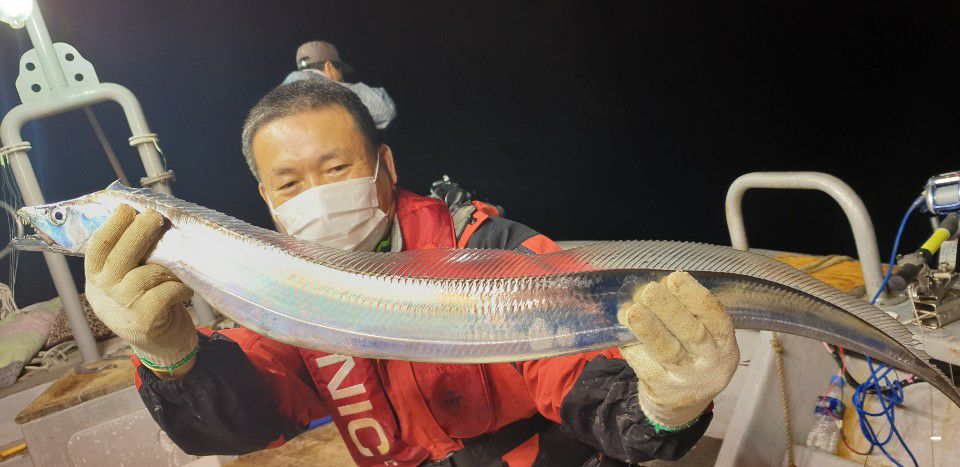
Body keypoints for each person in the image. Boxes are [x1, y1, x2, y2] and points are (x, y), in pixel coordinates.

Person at [83, 79, 739, 467]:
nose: (316, 194)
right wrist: (172, 358)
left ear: (385, 166)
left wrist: (665, 404)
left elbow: (583, 374)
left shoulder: (491, 252)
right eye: (289, 182)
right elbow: (250, 410)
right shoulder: (282, 293)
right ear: (266, 200)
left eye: (336, 167)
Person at [283, 40, 397, 129]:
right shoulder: (329, 91)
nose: (342, 77)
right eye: (340, 70)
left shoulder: (281, 95)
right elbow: (385, 110)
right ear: (329, 67)